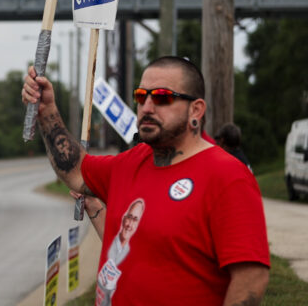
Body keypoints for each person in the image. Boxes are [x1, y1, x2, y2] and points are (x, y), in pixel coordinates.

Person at [23, 56, 270, 305]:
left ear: (196, 110)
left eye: (162, 97)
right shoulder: (131, 162)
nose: (147, 107)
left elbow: (251, 279)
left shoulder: (228, 177)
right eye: (141, 96)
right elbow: (75, 170)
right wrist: (47, 111)